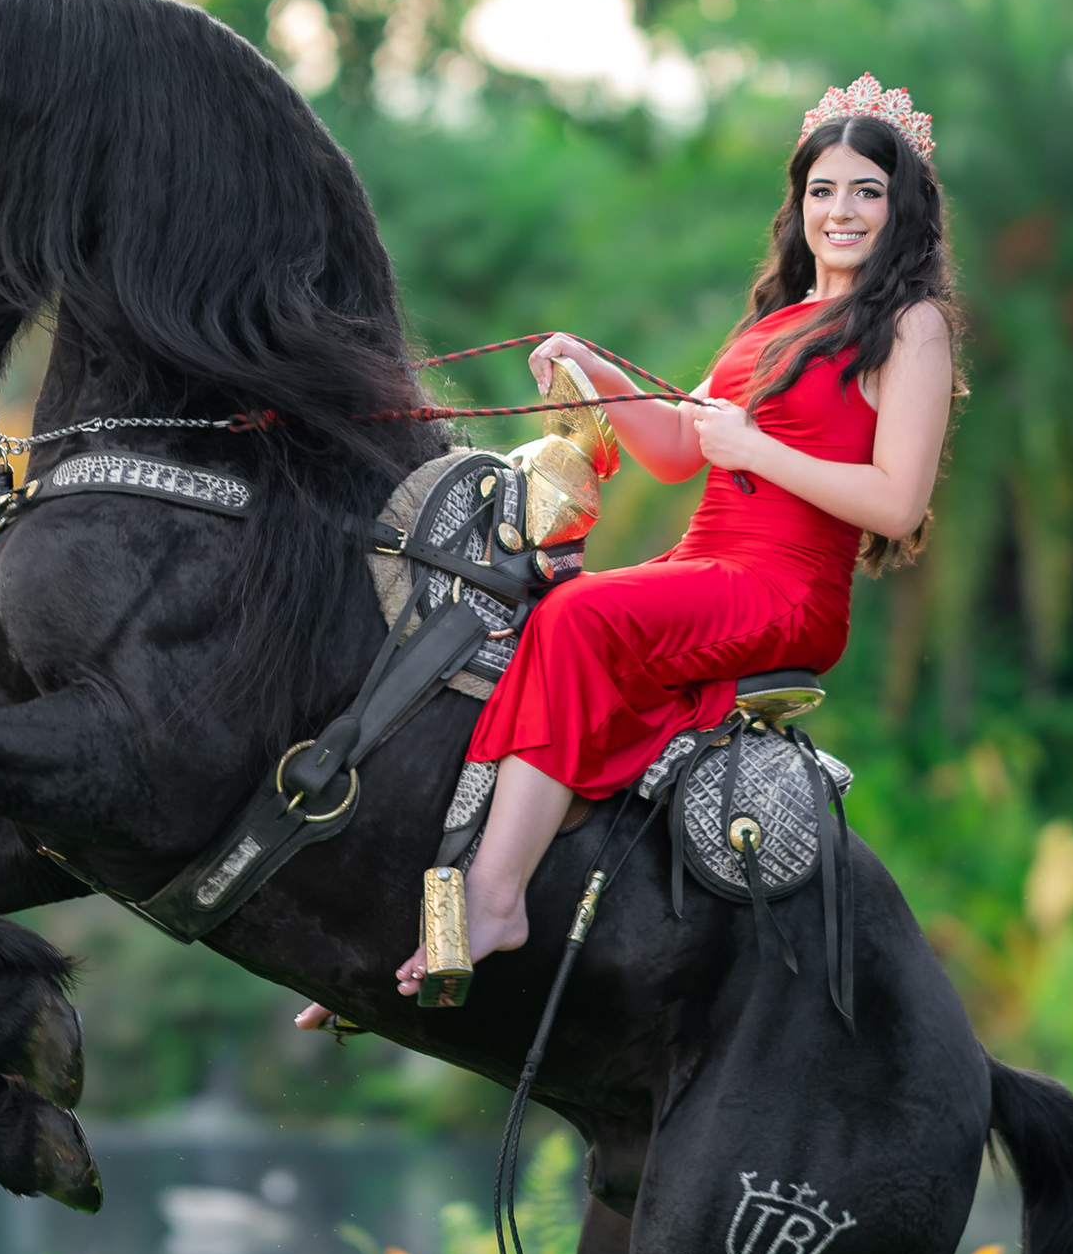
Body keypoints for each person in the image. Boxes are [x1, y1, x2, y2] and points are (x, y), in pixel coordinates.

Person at [299, 75, 961, 1024]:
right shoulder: (771, 324)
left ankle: (495, 900)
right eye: (823, 190)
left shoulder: (911, 326)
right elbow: (681, 446)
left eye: (867, 190)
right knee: (511, 618)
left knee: (578, 615)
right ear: (799, 205)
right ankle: (430, 910)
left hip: (784, 587)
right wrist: (594, 369)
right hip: (702, 565)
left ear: (904, 207)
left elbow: (898, 503)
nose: (842, 211)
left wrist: (756, 448)